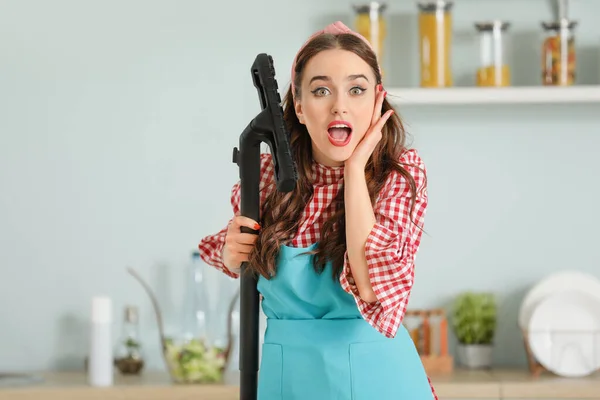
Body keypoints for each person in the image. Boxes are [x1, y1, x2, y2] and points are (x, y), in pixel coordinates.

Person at [198, 21, 436, 400]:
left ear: (377, 101)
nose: (339, 105)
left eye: (356, 90)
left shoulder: (399, 174)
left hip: (378, 381)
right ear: (299, 106)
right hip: (287, 380)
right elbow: (236, 250)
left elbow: (373, 286)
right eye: (321, 90)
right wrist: (231, 254)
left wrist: (355, 170)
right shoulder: (266, 178)